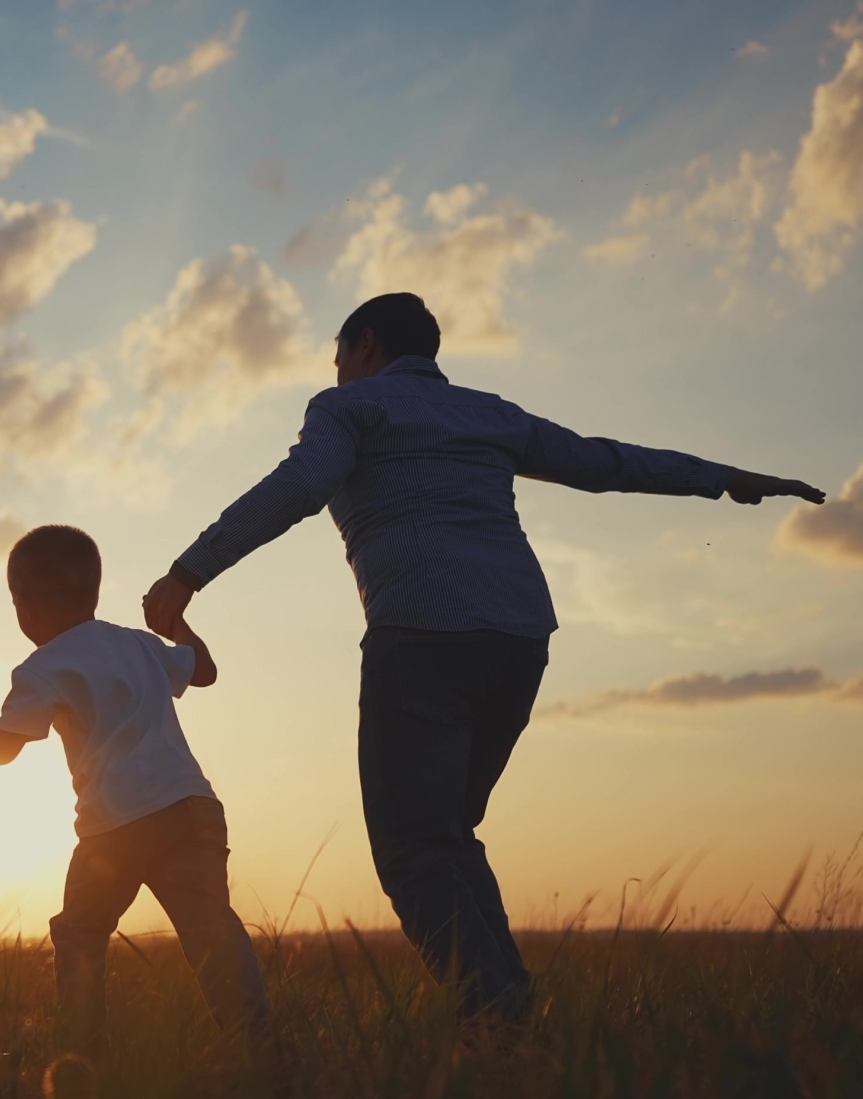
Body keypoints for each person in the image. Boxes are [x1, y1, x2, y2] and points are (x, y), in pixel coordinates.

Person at [142, 292, 827, 1022]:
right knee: (448, 836)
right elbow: (604, 462)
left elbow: (302, 486)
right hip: (520, 638)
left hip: (424, 636)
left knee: (412, 849)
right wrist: (721, 476)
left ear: (366, 344)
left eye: (339, 354)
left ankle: (494, 1020)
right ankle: (514, 1018)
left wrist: (188, 573)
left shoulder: (350, 409)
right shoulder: (488, 412)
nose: (338, 370)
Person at [0, 525, 270, 1054]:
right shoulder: (137, 643)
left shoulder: (41, 668)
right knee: (212, 933)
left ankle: (81, 1055)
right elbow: (204, 670)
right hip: (192, 806)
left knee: (81, 933)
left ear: (25, 605)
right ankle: (260, 1050)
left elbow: (4, 747)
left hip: (117, 825)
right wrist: (176, 625)